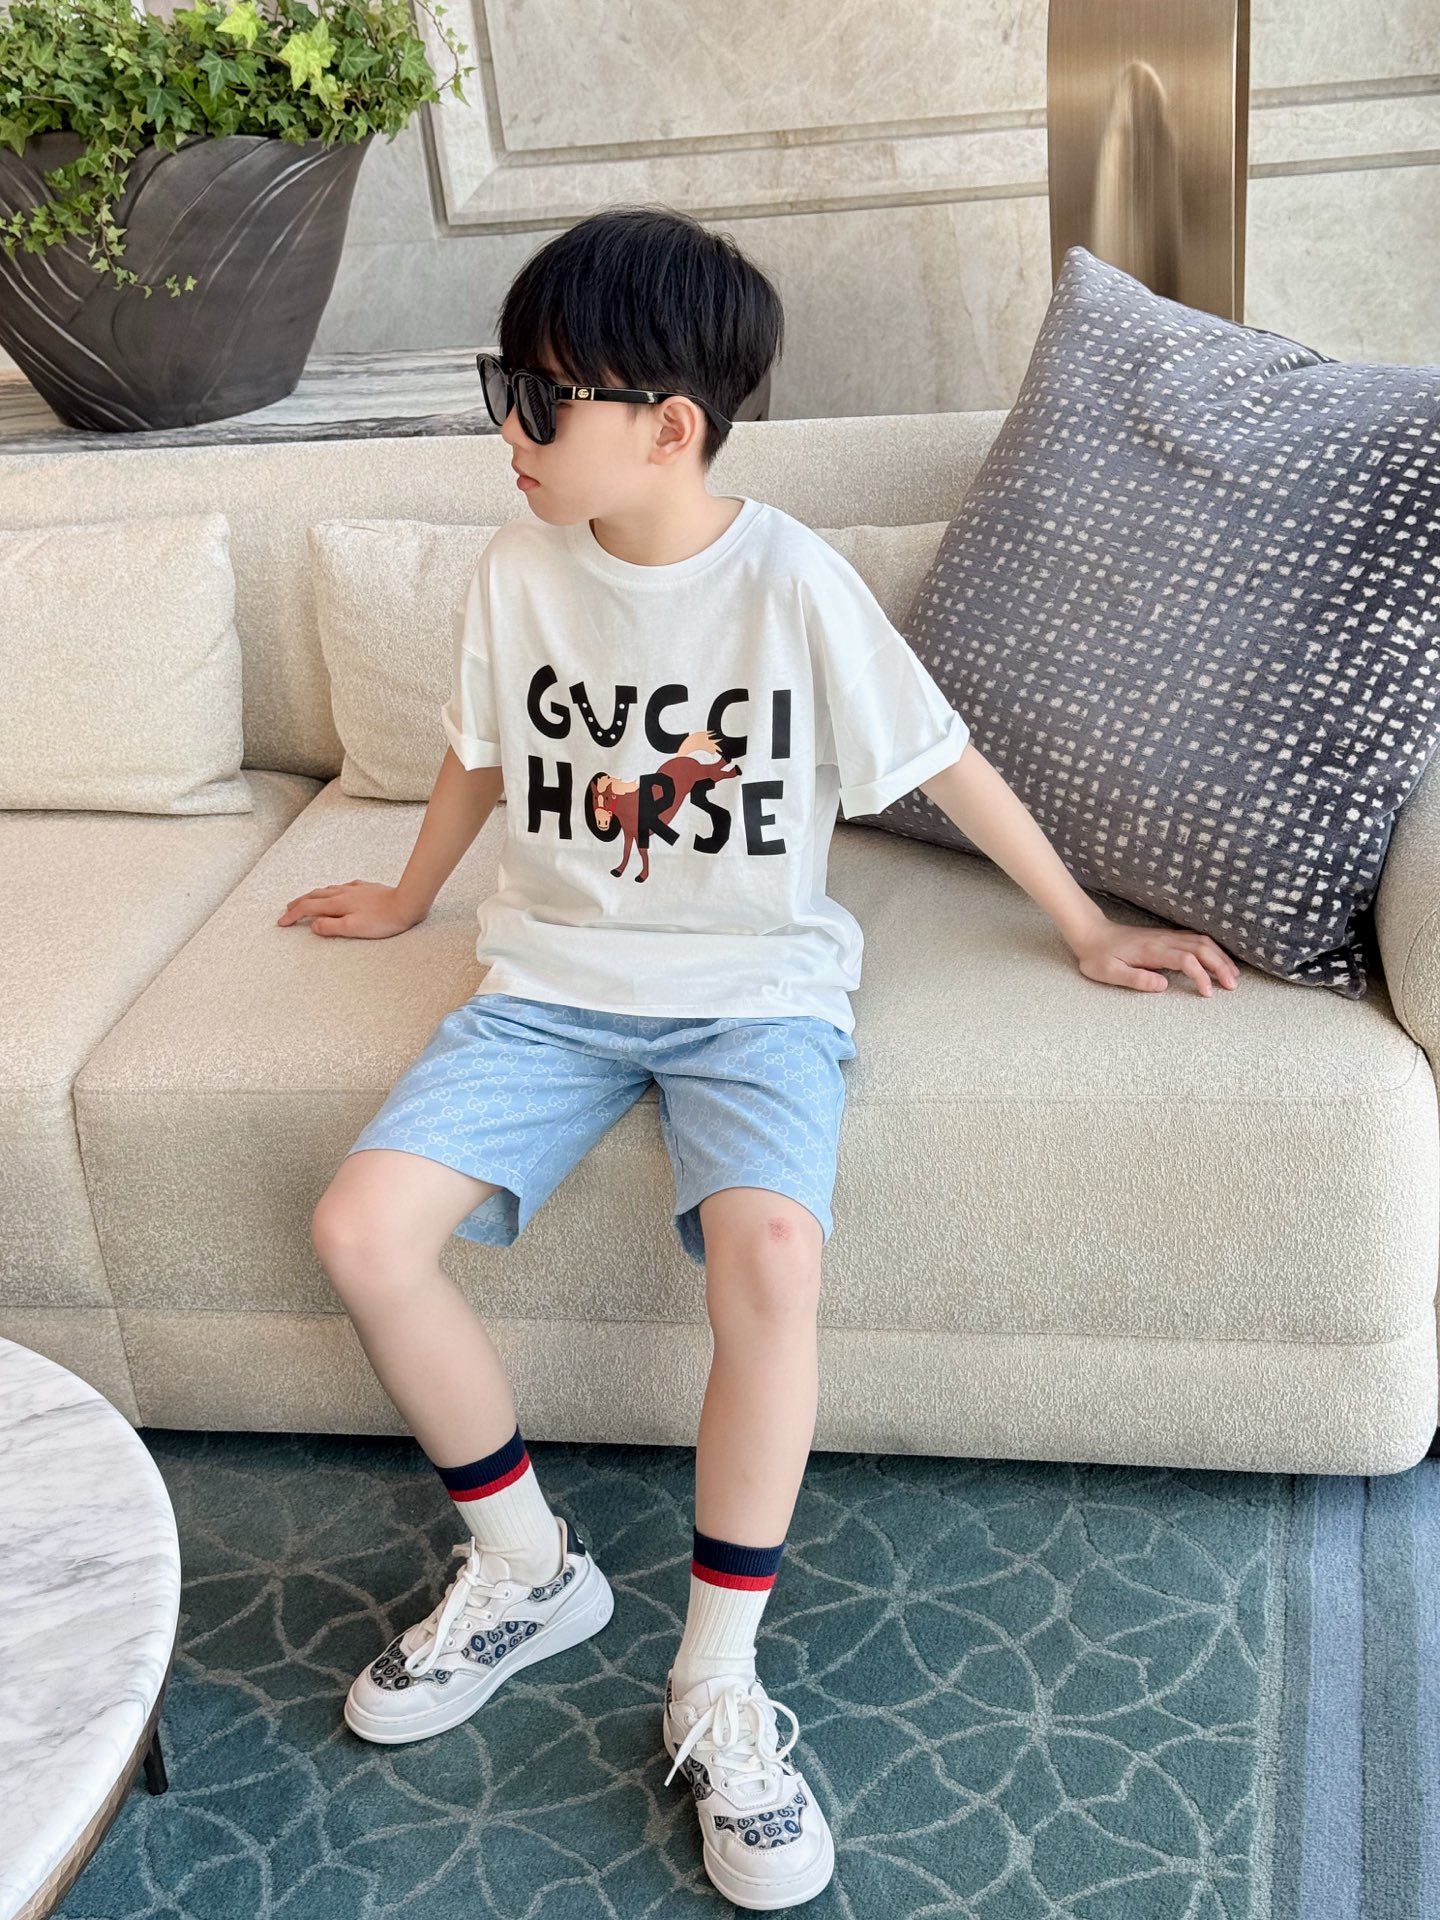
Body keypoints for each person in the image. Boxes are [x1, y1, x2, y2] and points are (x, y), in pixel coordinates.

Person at [281, 204, 1240, 1912]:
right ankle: (525, 1564)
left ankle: (715, 1677)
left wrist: (1087, 926)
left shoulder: (789, 576)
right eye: (505, 386)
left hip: (753, 994)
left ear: (669, 425)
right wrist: (410, 897)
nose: (508, 429)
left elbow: (939, 757)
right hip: (551, 990)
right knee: (360, 1230)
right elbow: (479, 753)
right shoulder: (515, 571)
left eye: (540, 398)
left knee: (774, 1257)